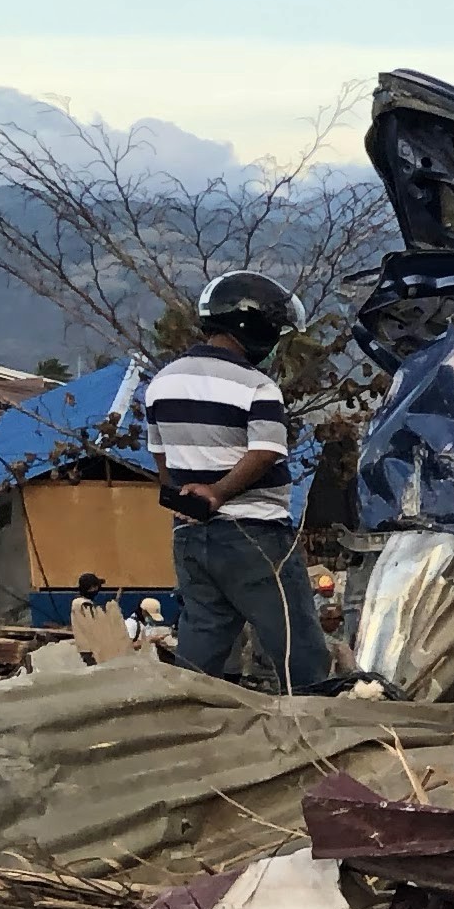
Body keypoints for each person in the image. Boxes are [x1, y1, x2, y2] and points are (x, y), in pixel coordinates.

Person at [147, 272, 330, 696]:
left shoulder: (163, 381)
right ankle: (325, 734)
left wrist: (186, 496)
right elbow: (266, 450)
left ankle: (183, 725)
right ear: (254, 326)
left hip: (191, 535)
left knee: (201, 642)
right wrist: (218, 492)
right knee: (296, 644)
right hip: (255, 533)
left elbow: (160, 454)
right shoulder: (256, 384)